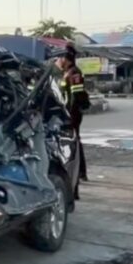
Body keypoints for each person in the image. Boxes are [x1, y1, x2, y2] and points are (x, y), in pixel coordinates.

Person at [55, 44, 90, 181]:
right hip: (68, 112)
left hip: (72, 113)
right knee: (73, 142)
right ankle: (80, 172)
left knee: (74, 142)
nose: (57, 60)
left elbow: (76, 95)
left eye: (59, 57)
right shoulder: (67, 72)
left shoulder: (74, 72)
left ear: (64, 58)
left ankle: (81, 172)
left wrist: (69, 114)